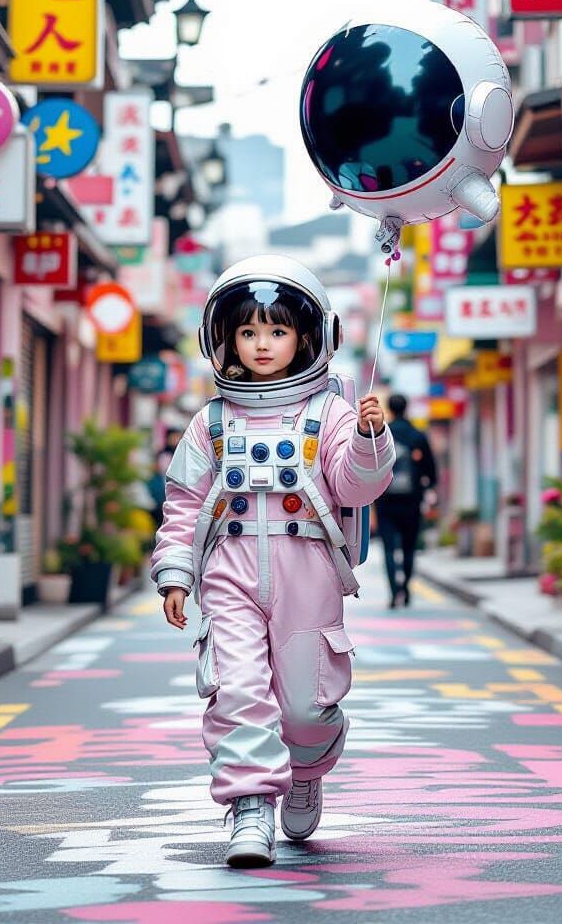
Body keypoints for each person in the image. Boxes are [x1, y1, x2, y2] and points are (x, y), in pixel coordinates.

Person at [151, 255, 394, 869]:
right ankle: (250, 807)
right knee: (237, 690)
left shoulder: (330, 413)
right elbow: (183, 504)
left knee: (305, 708)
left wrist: (369, 440)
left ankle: (306, 768)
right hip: (229, 571)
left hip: (308, 570)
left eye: (278, 331)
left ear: (309, 336)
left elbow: (355, 487)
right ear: (223, 338)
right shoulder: (210, 422)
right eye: (248, 331)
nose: (262, 345)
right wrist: (176, 573)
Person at [375, 393, 438, 608]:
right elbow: (431, 472)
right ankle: (407, 588)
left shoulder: (382, 434)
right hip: (411, 501)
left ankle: (394, 592)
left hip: (385, 500)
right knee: (409, 547)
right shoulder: (418, 436)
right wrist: (426, 489)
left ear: (390, 409)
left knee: (389, 549)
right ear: (407, 408)